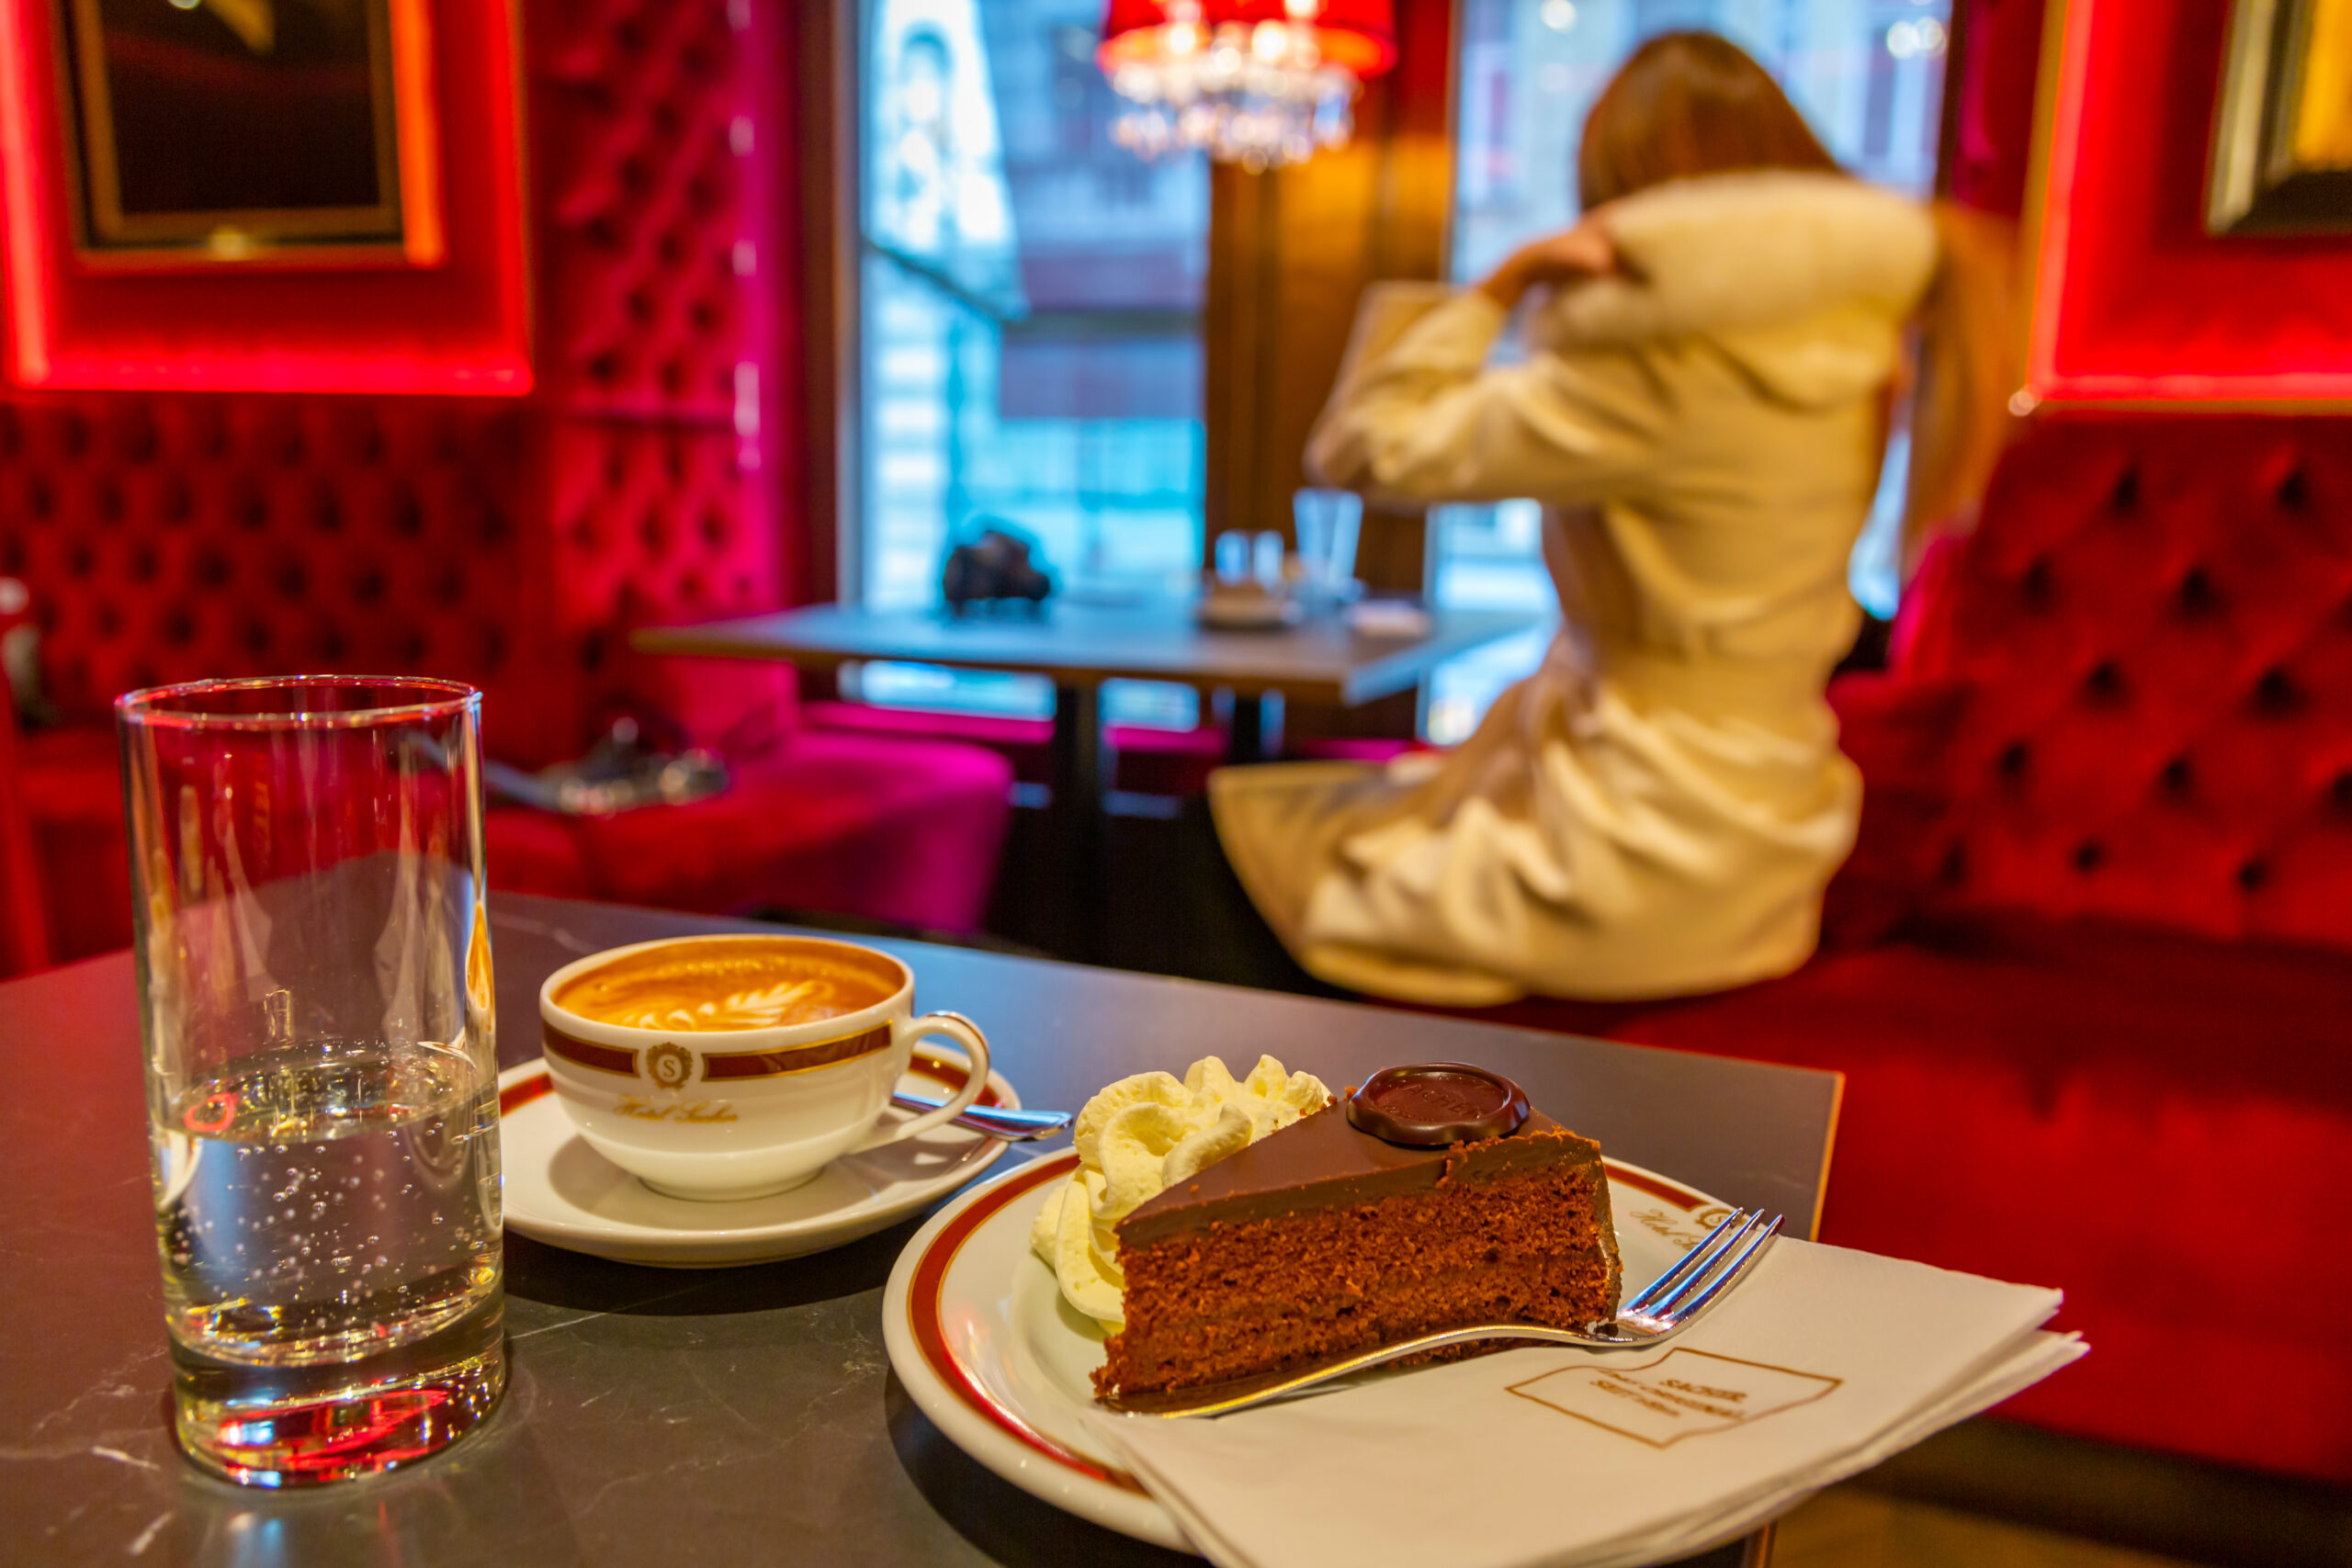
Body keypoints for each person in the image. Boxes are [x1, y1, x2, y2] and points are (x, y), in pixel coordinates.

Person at [1199, 31, 2014, 1007]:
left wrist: (1502, 285)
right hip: (1768, 827)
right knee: (1315, 817)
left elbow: (1362, 446)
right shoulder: (1862, 357)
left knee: (1235, 849)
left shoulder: (1656, 371)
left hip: (1629, 842)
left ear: (1628, 201)